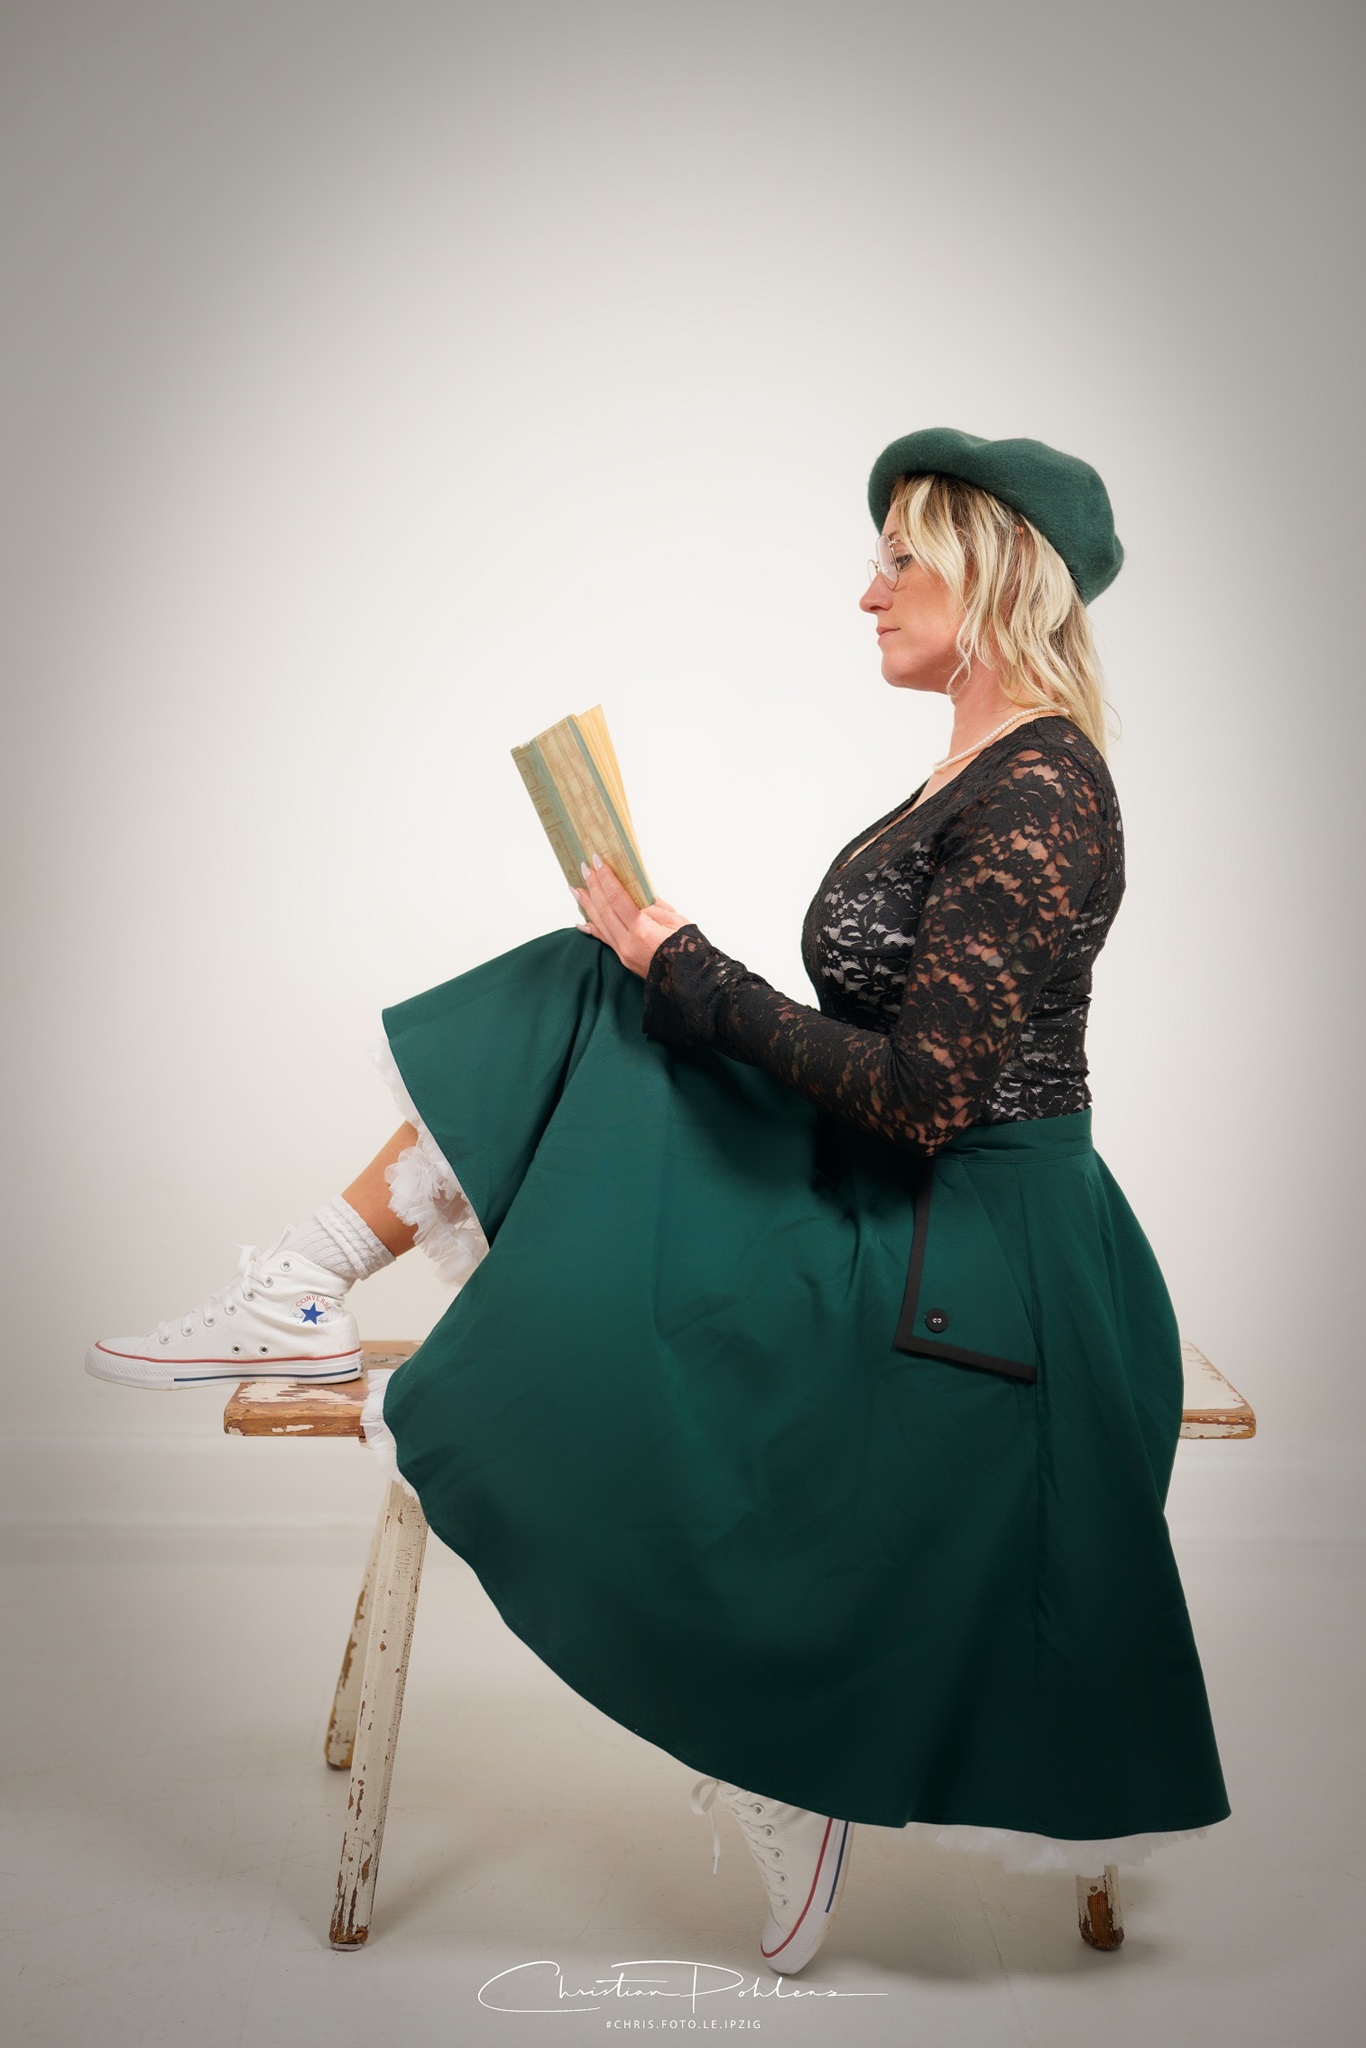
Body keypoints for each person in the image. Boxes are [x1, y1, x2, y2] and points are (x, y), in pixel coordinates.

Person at [86, 428, 1232, 1976]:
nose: (867, 590)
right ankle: (303, 1283)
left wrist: (690, 972)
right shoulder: (972, 772)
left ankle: (774, 1750)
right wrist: (669, 972)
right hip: (894, 1196)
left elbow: (927, 1096)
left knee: (617, 991)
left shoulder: (1042, 791)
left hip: (973, 1252)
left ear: (992, 571)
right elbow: (885, 1069)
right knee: (590, 985)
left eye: (900, 557)